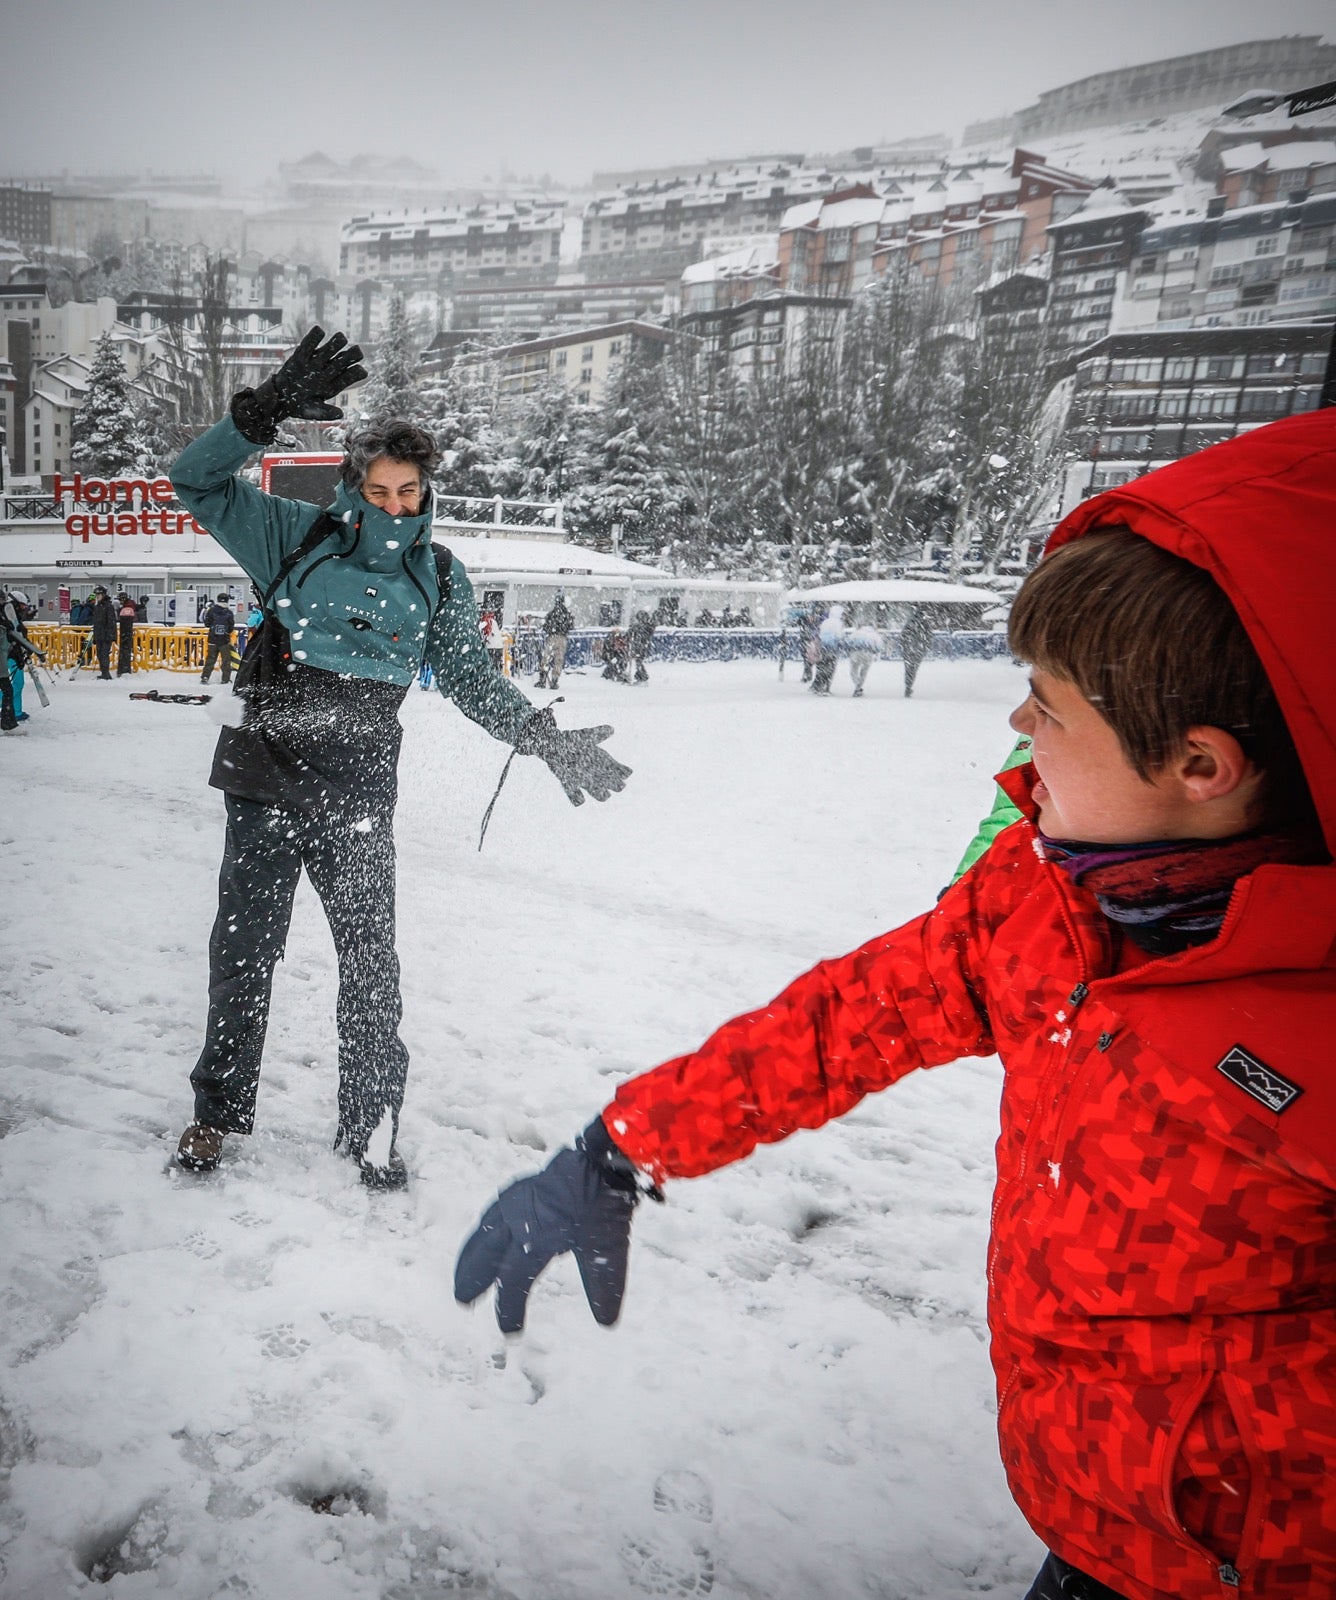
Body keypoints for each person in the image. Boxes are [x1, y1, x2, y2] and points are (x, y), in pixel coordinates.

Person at [455, 410, 1336, 1600]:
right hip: (1091, 1524)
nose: (1017, 732)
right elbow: (840, 1022)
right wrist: (619, 1148)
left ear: (1196, 763)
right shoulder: (1040, 905)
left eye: (1050, 707)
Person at [168, 327, 631, 1189]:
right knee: (243, 957)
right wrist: (255, 415)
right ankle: (215, 1115)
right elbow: (192, 479)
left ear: (426, 495)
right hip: (267, 781)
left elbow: (467, 679)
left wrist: (543, 740)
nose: (391, 506)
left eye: (407, 493)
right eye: (377, 490)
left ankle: (371, 1128)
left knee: (372, 969)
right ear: (354, 486)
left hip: (359, 793)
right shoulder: (291, 537)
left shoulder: (441, 577)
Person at [537, 592, 574, 690]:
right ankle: (554, 680)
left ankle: (542, 679)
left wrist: (550, 630)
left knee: (546, 657)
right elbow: (571, 625)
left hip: (551, 637)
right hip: (562, 638)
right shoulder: (566, 613)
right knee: (558, 660)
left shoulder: (552, 613)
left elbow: (545, 625)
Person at [898, 604, 935, 698]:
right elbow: (929, 637)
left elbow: (903, 636)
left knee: (908, 669)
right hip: (918, 650)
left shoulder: (910, 623)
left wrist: (904, 646)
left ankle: (908, 685)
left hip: (909, 650)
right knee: (914, 669)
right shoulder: (925, 624)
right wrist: (925, 647)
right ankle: (909, 685)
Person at [200, 593, 235, 685]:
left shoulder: (211, 610)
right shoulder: (228, 612)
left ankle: (205, 677)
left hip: (212, 639)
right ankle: (225, 679)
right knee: (226, 661)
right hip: (224, 641)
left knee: (210, 660)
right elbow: (231, 627)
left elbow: (207, 623)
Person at [845, 620, 883, 697]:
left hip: (855, 652)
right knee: (864, 671)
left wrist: (848, 649)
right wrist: (875, 651)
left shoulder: (856, 633)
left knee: (853, 669)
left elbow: (848, 642)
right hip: (868, 653)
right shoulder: (874, 634)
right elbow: (879, 646)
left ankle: (856, 682)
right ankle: (859, 686)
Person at [89, 586, 117, 679]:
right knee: (99, 653)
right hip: (99, 635)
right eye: (96, 594)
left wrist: (110, 634)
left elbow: (111, 621)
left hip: (106, 635)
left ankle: (106, 673)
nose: (97, 596)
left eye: (99, 594)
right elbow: (96, 622)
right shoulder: (98, 607)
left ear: (104, 595)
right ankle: (103, 672)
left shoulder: (108, 606)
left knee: (104, 654)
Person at [627, 609, 656, 684]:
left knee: (639, 661)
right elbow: (629, 634)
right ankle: (640, 675)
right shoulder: (638, 626)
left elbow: (648, 633)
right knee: (638, 661)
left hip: (642, 646)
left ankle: (642, 676)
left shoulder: (648, 626)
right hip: (637, 645)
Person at [115, 591, 137, 675]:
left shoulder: (127, 607)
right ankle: (125, 668)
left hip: (126, 629)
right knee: (126, 649)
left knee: (125, 649)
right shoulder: (130, 605)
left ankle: (123, 668)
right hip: (127, 630)